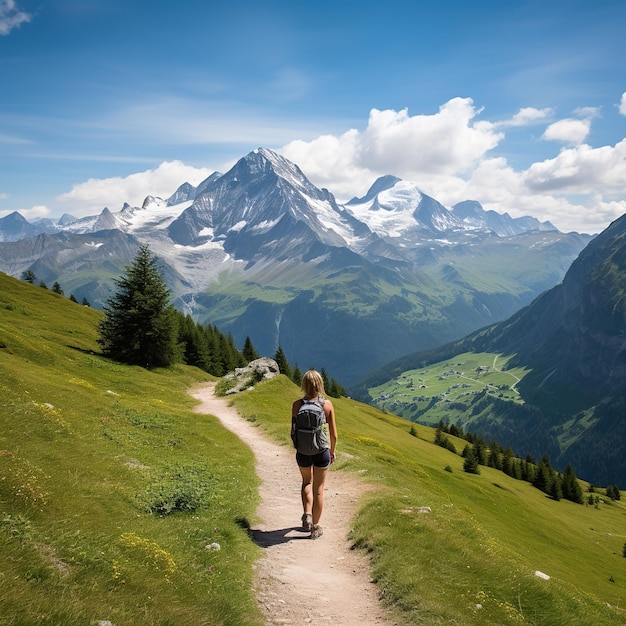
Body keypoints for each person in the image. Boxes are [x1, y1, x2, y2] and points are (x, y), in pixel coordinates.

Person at [291, 369, 337, 539]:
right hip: (321, 451)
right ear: (320, 384)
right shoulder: (327, 405)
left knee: (306, 482)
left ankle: (306, 514)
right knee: (319, 489)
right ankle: (315, 527)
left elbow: (293, 430)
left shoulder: (297, 405)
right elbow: (334, 434)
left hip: (302, 451)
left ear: (304, 384)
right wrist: (331, 451)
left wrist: (299, 447)